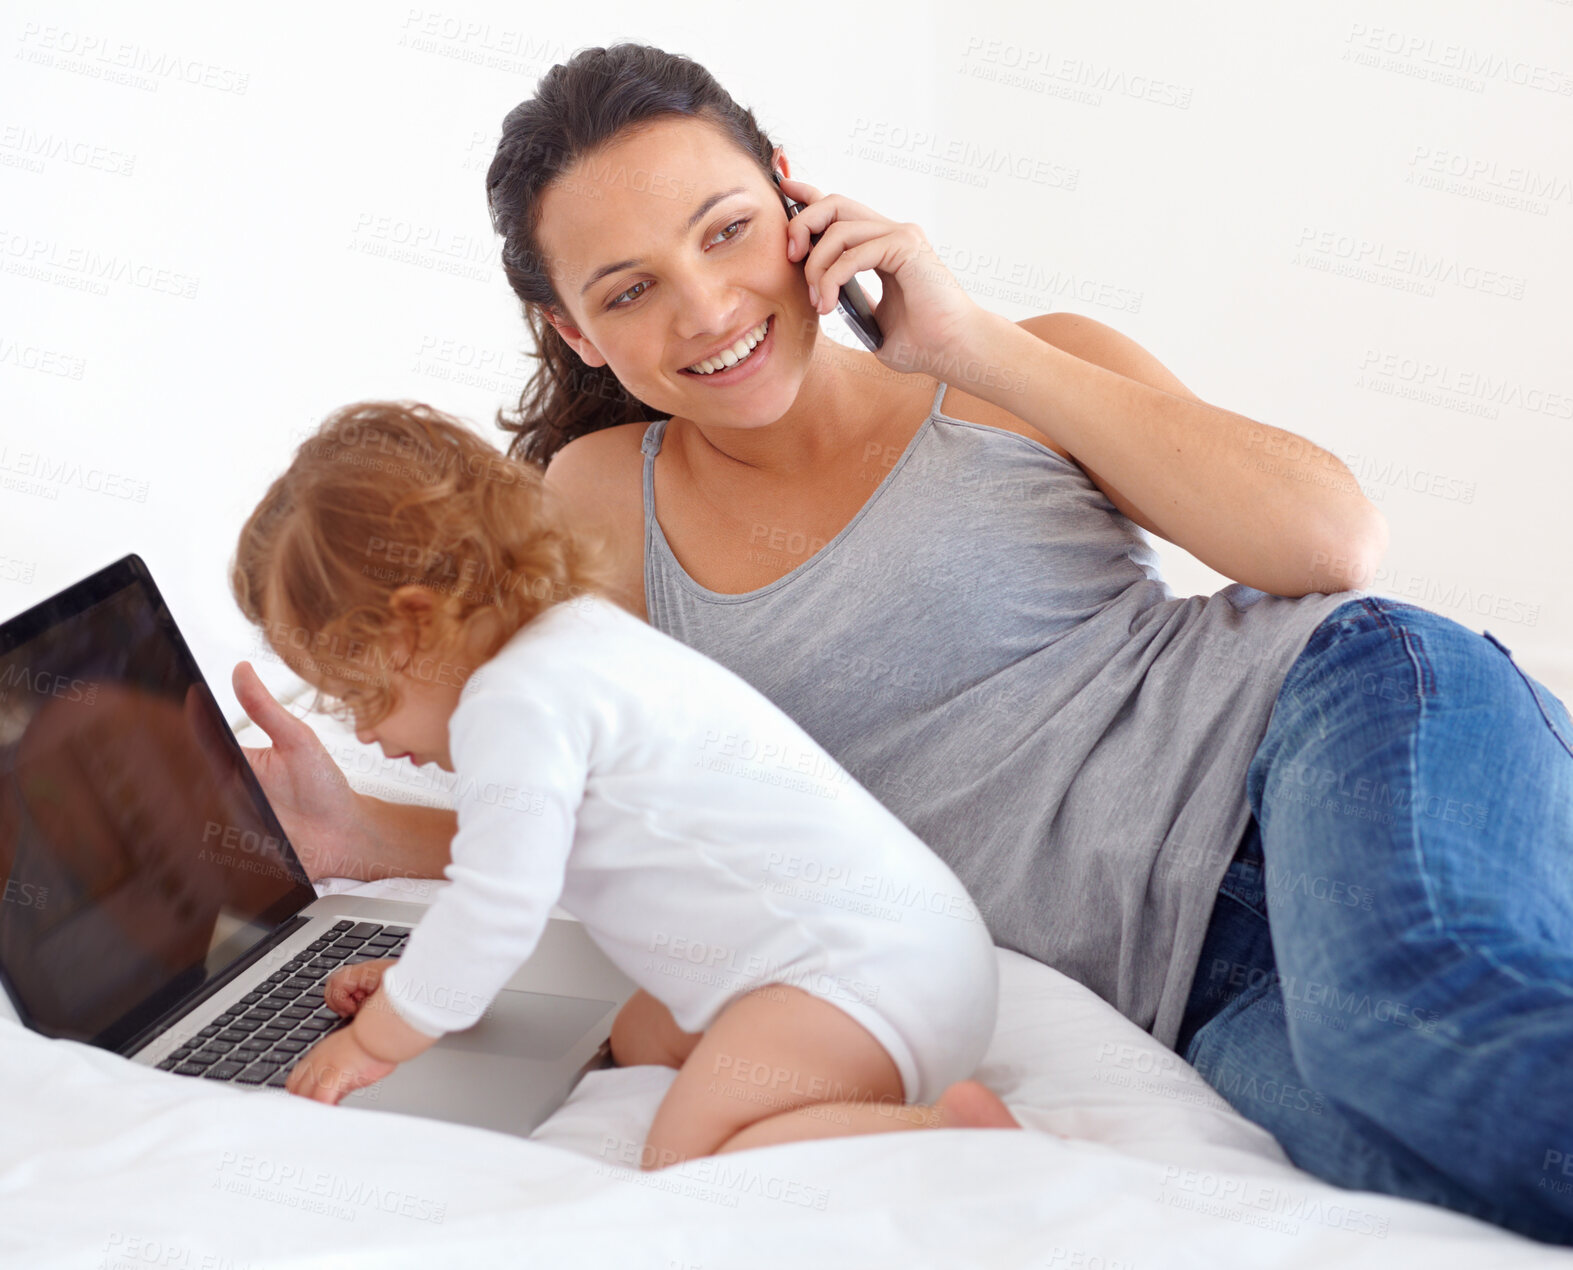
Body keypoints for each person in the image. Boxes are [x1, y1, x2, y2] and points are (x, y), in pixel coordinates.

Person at [231, 42, 1573, 1242]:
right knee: (1390, 1145)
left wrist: (972, 339)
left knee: (1411, 1035)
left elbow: (1331, 543)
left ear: (797, 200)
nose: (702, 309)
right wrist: (365, 831)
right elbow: (618, 805)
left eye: (726, 230)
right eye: (630, 289)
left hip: (1329, 725)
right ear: (570, 329)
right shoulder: (601, 504)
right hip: (1185, 970)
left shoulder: (1012, 366)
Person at [228, 400, 1018, 1168]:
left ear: (412, 625)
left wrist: (379, 1039)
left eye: (361, 695)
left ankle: (944, 1135)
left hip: (857, 984)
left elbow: (496, 906)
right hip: (921, 954)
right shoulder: (576, 638)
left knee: (688, 1156)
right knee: (638, 1036)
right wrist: (424, 976)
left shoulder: (512, 705)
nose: (363, 734)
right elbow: (529, 879)